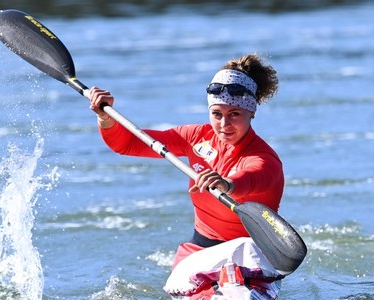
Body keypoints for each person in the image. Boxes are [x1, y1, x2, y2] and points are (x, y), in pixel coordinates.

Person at [88, 53, 284, 269]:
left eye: (235, 113)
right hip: (200, 249)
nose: (224, 123)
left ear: (251, 113)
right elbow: (127, 144)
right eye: (217, 114)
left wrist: (227, 185)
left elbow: (252, 178)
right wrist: (105, 117)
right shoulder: (195, 137)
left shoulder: (265, 159)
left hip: (250, 253)